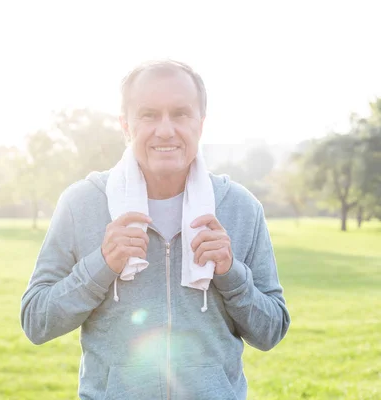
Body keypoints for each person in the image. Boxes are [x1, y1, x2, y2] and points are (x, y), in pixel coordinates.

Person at [20, 59, 290, 400]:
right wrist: (101, 264)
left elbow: (272, 331)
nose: (165, 130)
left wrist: (230, 272)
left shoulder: (240, 206)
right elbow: (36, 321)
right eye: (149, 115)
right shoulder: (81, 203)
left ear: (200, 124)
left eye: (180, 114)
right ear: (126, 125)